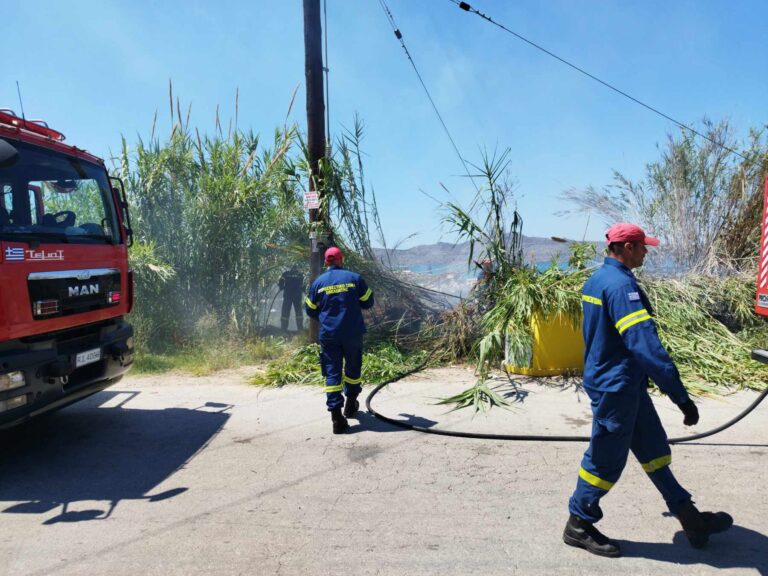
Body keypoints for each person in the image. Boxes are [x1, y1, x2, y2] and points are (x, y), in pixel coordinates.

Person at [563, 223, 732, 558]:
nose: (646, 252)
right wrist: (680, 396)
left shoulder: (598, 279)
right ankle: (578, 523)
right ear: (627, 247)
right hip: (616, 387)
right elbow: (645, 346)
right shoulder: (620, 287)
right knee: (605, 460)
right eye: (642, 247)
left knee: (653, 450)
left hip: (623, 384)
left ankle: (688, 515)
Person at [305, 247, 375, 434]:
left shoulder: (318, 283)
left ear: (326, 262)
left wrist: (325, 318)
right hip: (352, 333)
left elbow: (310, 309)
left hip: (329, 335)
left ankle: (336, 417)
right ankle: (350, 404)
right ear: (341, 260)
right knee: (353, 369)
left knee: (332, 373)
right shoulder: (354, 278)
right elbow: (368, 302)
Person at [278, 266, 305, 332]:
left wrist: (281, 287)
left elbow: (280, 282)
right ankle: (300, 329)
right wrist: (303, 290)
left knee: (285, 312)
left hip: (288, 295)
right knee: (298, 313)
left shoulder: (286, 274)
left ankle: (283, 329)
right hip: (297, 296)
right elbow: (304, 285)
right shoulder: (300, 274)